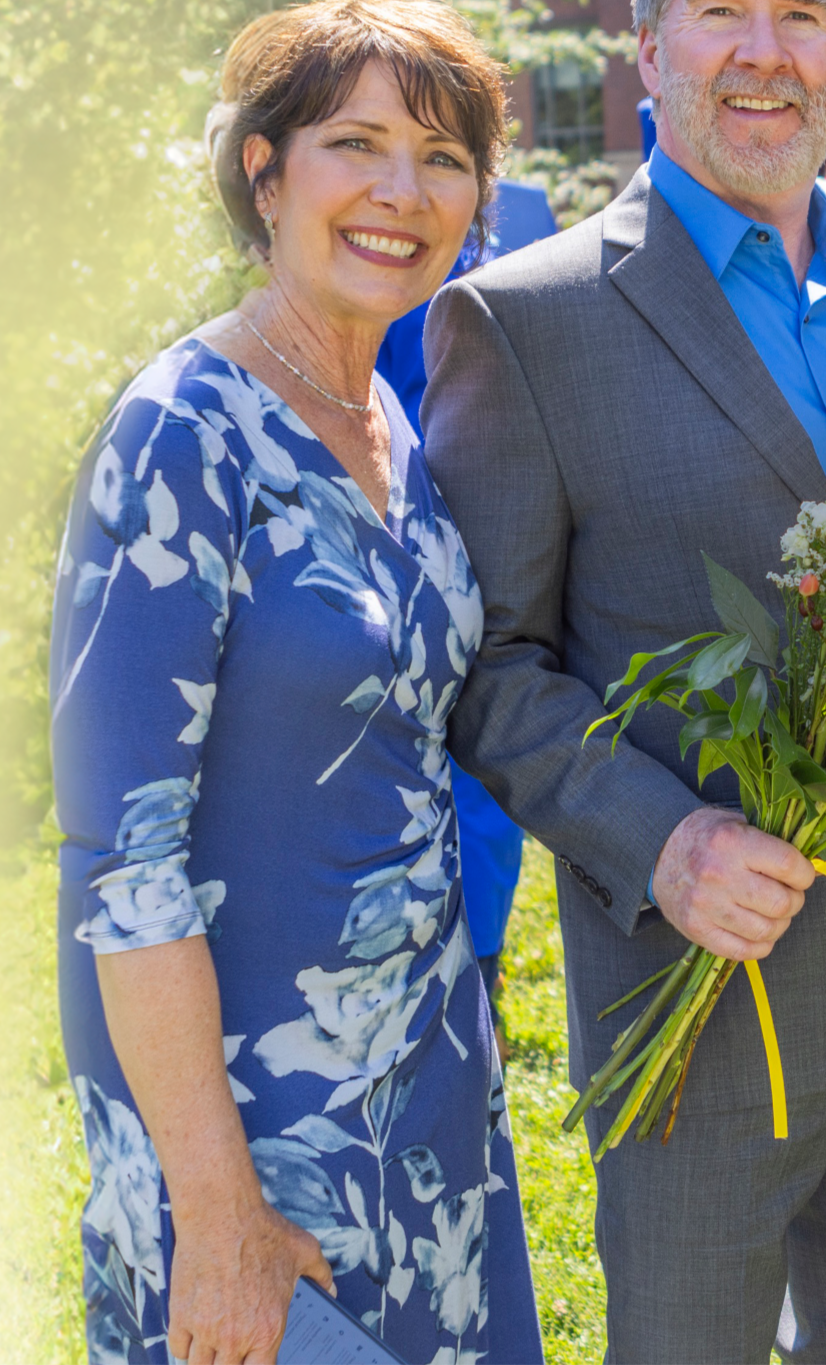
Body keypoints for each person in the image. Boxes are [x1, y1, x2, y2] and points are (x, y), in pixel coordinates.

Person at [423, 0, 826, 1364]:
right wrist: (660, 841)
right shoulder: (527, 319)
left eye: (804, 15)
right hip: (703, 1009)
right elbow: (488, 666)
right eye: (721, 9)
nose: (764, 50)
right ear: (649, 47)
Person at [49, 0, 543, 1365]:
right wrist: (217, 1216)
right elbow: (118, 865)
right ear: (262, 172)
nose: (404, 191)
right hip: (259, 1146)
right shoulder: (181, 439)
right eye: (356, 145)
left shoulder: (392, 414)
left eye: (444, 158)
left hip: (431, 1110)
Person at [374, 178, 560, 1041]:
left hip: (507, 537)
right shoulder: (383, 223)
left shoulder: (525, 213)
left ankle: (475, 971)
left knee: (485, 777)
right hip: (397, 519)